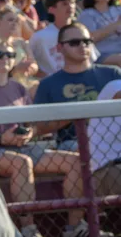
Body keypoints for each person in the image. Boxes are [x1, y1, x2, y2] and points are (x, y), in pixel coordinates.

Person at [0, 41, 86, 237]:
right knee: (22, 163)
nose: (5, 59)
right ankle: (28, 230)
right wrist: (0, 139)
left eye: (10, 55)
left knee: (74, 161)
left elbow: (31, 124)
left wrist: (29, 133)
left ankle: (75, 227)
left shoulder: (19, 87)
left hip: (23, 147)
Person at [33, 23, 121, 163]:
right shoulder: (47, 84)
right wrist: (75, 114)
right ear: (59, 48)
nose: (82, 46)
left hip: (114, 138)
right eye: (74, 42)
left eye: (87, 41)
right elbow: (39, 127)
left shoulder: (112, 73)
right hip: (73, 142)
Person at [78, 0, 121, 65]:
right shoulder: (87, 14)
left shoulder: (118, 10)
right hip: (100, 54)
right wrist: (116, 24)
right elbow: (91, 38)